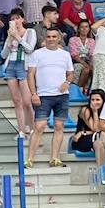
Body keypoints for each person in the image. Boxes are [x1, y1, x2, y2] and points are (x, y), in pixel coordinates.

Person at [25, 27, 73, 168]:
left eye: (54, 36)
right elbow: (30, 75)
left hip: (62, 96)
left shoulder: (65, 55)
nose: (51, 39)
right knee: (39, 126)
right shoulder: (37, 54)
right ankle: (29, 159)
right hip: (43, 96)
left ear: (59, 38)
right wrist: (33, 93)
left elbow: (70, 73)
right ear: (45, 38)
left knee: (59, 126)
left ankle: (54, 158)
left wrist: (67, 82)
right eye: (48, 36)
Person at [2, 10, 36, 133]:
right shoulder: (10, 34)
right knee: (16, 100)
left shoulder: (30, 32)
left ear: (22, 19)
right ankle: (20, 130)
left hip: (23, 65)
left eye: (17, 18)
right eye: (12, 19)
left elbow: (30, 49)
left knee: (27, 101)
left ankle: (32, 128)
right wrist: (10, 40)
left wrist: (18, 37)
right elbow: (3, 54)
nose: (14, 21)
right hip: (11, 64)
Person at [71, 88, 105, 172]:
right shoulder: (85, 110)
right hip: (82, 140)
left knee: (99, 143)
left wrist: (83, 132)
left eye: (98, 100)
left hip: (95, 139)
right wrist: (95, 112)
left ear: (103, 101)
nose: (95, 102)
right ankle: (103, 172)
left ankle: (102, 172)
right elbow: (96, 129)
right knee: (102, 134)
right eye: (92, 100)